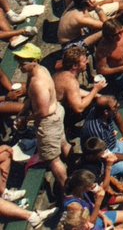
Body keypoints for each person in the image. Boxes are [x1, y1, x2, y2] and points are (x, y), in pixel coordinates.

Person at [16, 43, 70, 188]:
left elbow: (43, 112)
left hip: (48, 121)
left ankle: (68, 191)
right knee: (63, 143)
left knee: (52, 159)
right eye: (18, 60)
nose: (19, 64)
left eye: (23, 62)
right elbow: (29, 96)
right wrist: (22, 112)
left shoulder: (37, 82)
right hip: (56, 113)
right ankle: (73, 166)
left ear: (34, 61)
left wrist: (26, 119)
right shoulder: (39, 70)